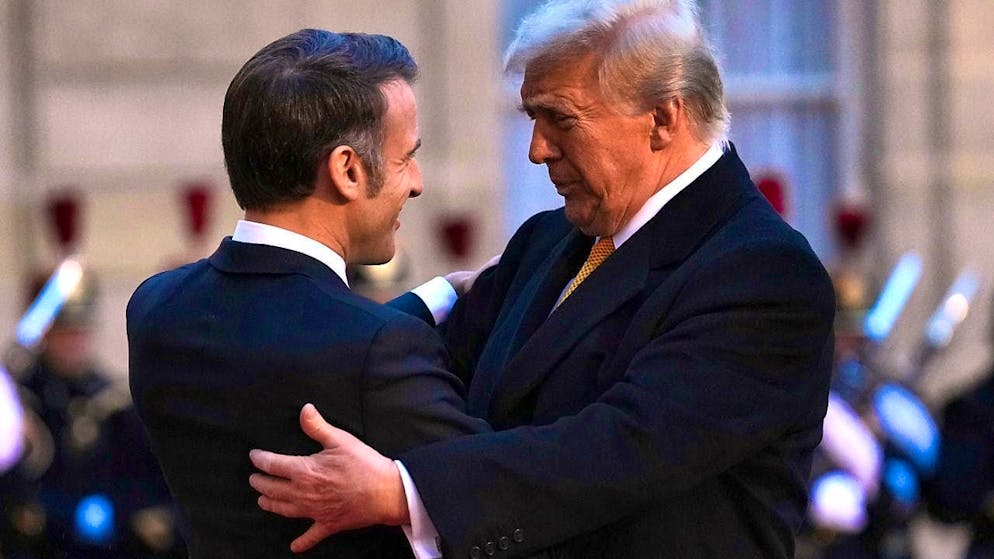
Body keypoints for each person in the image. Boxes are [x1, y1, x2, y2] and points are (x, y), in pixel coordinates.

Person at [249, 1, 836, 558]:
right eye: (533, 118)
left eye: (560, 119)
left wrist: (403, 493)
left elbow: (622, 447)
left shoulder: (763, 274)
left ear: (662, 119)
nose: (536, 150)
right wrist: (421, 301)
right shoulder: (548, 240)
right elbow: (424, 370)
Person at [127, 29, 487, 558]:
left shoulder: (155, 308)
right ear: (347, 170)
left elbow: (285, 334)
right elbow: (486, 503)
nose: (417, 182)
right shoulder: (380, 351)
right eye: (405, 157)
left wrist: (441, 294)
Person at [6, 270, 184, 558]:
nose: (74, 342)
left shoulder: (111, 398)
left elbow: (143, 481)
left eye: (80, 331)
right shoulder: (20, 400)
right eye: (64, 332)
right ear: (45, 332)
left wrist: (123, 514)